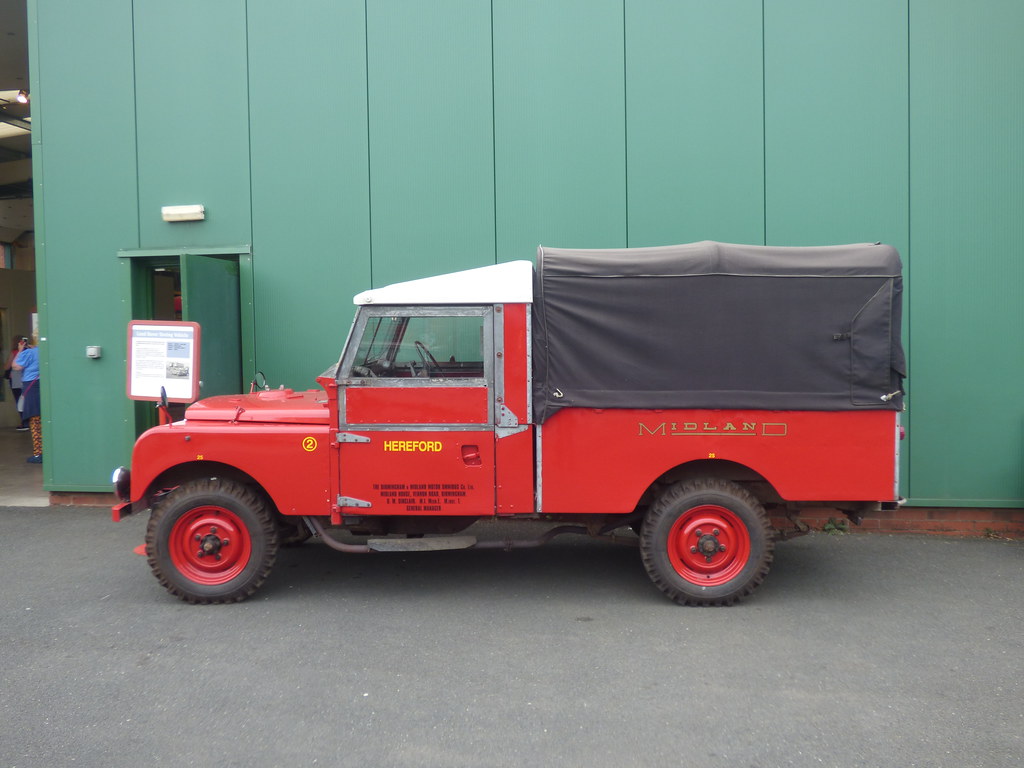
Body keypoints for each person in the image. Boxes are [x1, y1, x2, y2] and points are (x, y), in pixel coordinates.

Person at [12, 336, 41, 462]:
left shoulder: (28, 353)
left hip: (31, 386)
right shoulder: (44, 351)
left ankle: (38, 453)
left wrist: (20, 350)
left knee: (35, 420)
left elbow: (16, 366)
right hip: (43, 384)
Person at [5, 336, 28, 430]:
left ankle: (24, 422)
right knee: (26, 399)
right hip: (26, 378)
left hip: (15, 379)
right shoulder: (28, 352)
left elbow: (7, 367)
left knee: (19, 400)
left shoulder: (14, 353)